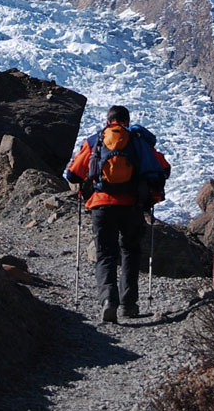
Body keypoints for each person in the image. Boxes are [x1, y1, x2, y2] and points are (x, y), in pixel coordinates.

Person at [64, 104, 171, 323]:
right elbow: (163, 168)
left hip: (101, 205)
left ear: (108, 121)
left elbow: (72, 174)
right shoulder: (138, 140)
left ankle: (108, 302)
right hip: (131, 206)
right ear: (127, 122)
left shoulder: (96, 140)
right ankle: (129, 305)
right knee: (130, 253)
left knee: (105, 254)